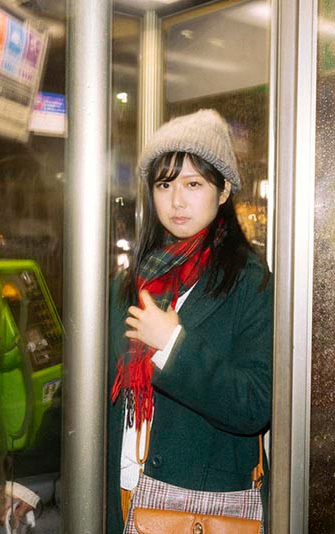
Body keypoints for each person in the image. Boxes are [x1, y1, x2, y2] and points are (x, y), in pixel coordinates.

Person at [106, 109, 273, 533]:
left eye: (193, 184)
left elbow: (255, 404)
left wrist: (172, 345)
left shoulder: (250, 281)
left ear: (223, 190)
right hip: (121, 493)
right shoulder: (131, 280)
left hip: (198, 507)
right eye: (165, 184)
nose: (177, 200)